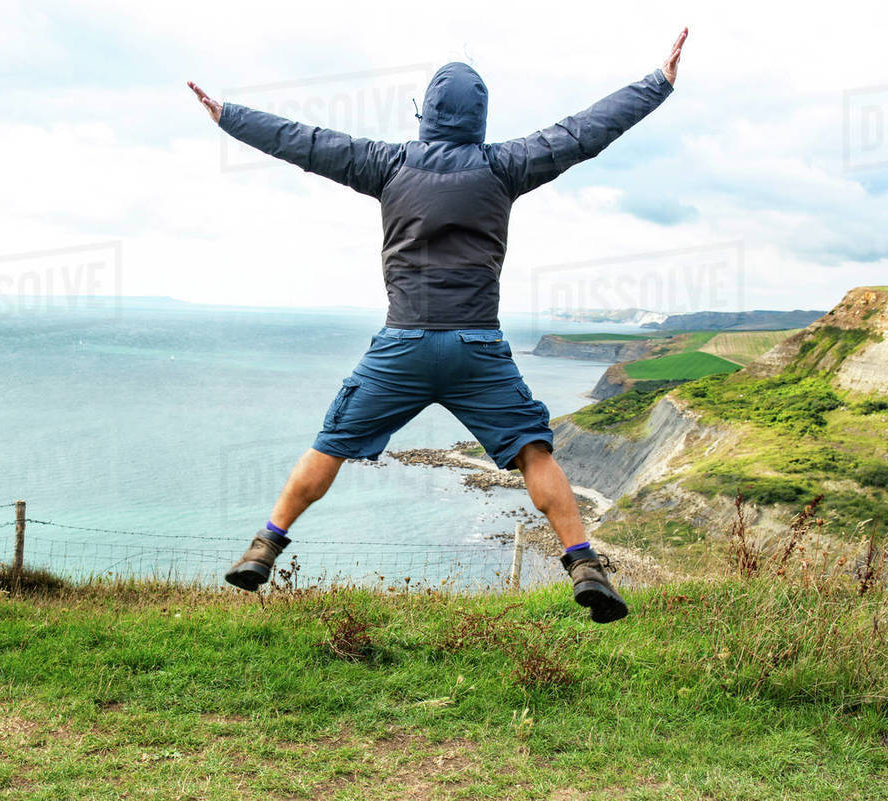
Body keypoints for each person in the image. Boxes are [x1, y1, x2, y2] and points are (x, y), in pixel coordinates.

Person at [188, 28, 687, 623]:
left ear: (426, 114)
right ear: (480, 118)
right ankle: (583, 564)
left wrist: (230, 116)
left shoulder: (386, 162)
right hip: (477, 347)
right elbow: (582, 132)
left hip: (401, 347)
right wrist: (657, 84)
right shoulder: (505, 165)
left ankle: (265, 547)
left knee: (332, 443)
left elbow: (306, 142)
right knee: (533, 452)